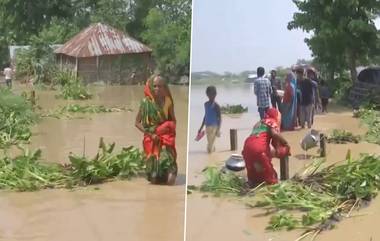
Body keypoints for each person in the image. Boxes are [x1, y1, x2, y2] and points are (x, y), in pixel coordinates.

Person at [135, 75, 177, 185]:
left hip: (165, 137)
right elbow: (137, 123)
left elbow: (173, 120)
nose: (158, 89)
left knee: (170, 178)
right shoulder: (145, 103)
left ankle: (171, 172)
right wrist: (150, 134)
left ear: (165, 88)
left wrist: (168, 130)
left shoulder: (168, 101)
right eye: (155, 86)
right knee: (154, 180)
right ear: (151, 87)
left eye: (161, 86)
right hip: (151, 137)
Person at [242, 108, 290, 186]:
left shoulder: (259, 123)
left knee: (254, 179)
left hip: (246, 149)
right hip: (258, 150)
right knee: (271, 179)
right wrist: (286, 144)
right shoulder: (272, 121)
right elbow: (275, 135)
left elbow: (258, 139)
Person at [198, 86, 221, 154]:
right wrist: (201, 127)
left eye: (213, 94)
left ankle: (210, 156)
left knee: (210, 145)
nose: (211, 96)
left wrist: (218, 129)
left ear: (215, 94)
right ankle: (212, 150)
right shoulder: (206, 104)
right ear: (207, 95)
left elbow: (219, 118)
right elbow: (205, 116)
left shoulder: (216, 106)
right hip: (207, 126)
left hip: (214, 127)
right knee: (209, 142)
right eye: (209, 94)